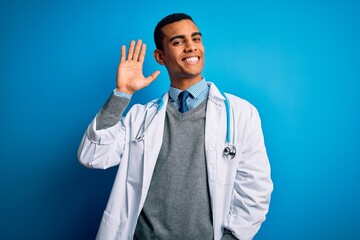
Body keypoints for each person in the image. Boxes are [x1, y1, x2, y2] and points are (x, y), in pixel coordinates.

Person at [78, 13, 273, 240]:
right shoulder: (140, 117)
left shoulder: (241, 114)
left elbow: (255, 191)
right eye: (178, 42)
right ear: (160, 56)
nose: (191, 47)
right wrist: (123, 93)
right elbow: (93, 155)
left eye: (196, 39)